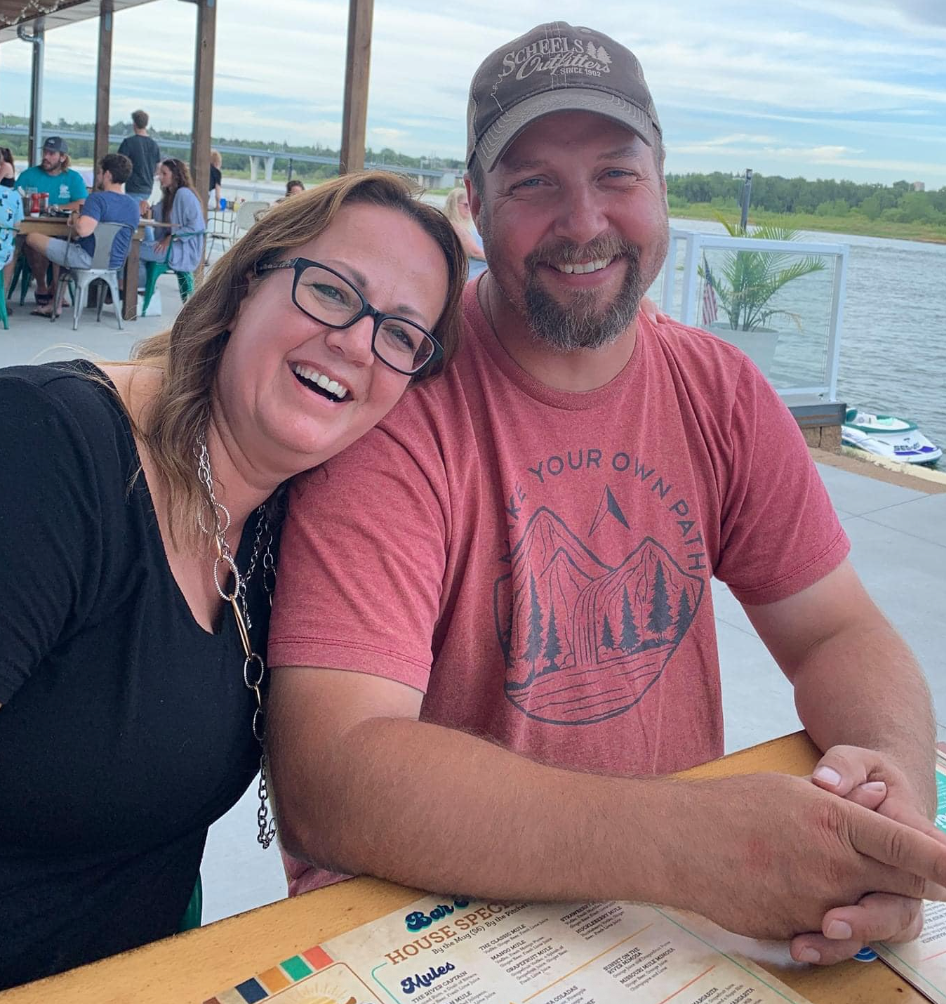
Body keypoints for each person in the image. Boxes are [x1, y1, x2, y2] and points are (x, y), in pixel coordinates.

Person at [267, 21, 944, 970]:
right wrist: (691, 845)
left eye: (616, 175)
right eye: (534, 183)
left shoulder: (718, 390)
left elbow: (838, 630)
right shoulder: (401, 396)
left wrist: (892, 802)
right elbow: (331, 772)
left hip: (669, 927)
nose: (584, 223)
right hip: (434, 938)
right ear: (475, 206)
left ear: (662, 184)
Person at [0, 170, 465, 991]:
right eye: (332, 292)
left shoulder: (287, 527)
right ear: (249, 281)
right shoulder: (47, 451)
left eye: (400, 334)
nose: (357, 344)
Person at [25, 152, 139, 317]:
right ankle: (56, 302)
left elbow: (83, 230)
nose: (97, 176)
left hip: (86, 258)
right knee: (64, 250)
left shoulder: (97, 199)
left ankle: (47, 292)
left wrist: (75, 217)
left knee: (32, 237)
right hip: (115, 262)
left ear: (108, 174)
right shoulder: (133, 205)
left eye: (99, 172)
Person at [14, 136, 88, 306]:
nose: (46, 157)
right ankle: (41, 286)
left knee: (65, 244)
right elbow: (14, 198)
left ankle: (57, 291)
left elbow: (82, 202)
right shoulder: (28, 175)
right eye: (45, 152)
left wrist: (56, 207)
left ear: (62, 157)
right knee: (31, 242)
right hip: (32, 228)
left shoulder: (73, 178)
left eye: (51, 154)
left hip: (62, 230)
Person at [138, 158, 205, 286]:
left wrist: (171, 237)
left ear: (176, 175)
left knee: (133, 251)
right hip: (171, 246)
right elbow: (154, 213)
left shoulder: (184, 194)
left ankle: (139, 290)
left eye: (164, 174)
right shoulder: (169, 196)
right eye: (160, 173)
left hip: (182, 250)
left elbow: (197, 226)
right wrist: (145, 206)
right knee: (135, 249)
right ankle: (143, 289)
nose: (160, 177)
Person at [118, 109, 161, 203]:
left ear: (134, 124)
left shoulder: (128, 143)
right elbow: (158, 168)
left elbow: (119, 164)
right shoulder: (154, 145)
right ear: (146, 124)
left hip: (132, 188)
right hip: (148, 189)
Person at [443, 186, 486, 278]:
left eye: (470, 204)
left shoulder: (466, 225)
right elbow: (475, 252)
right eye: (466, 205)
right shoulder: (455, 227)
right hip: (471, 276)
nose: (469, 208)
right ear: (454, 205)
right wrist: (499, 260)